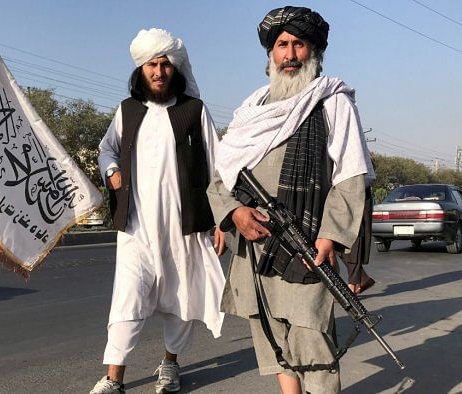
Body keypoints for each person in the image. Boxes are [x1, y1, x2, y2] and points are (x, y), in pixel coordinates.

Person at [207, 6, 374, 393]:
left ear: (314, 52)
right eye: (282, 45)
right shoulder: (252, 111)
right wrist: (233, 213)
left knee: (310, 336)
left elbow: (350, 177)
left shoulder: (332, 102)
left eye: (299, 44)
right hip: (255, 242)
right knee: (271, 337)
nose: (290, 55)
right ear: (270, 54)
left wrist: (330, 237)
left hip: (306, 242)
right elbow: (220, 175)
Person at [92, 28, 225, 394]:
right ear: (141, 69)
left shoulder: (193, 110)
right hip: (136, 228)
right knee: (127, 299)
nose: (159, 71)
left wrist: (221, 222)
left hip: (185, 227)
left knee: (181, 300)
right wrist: (113, 171)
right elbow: (107, 150)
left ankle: (170, 365)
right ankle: (113, 379)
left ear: (175, 69)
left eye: (165, 64)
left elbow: (218, 166)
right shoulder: (127, 111)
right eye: (152, 64)